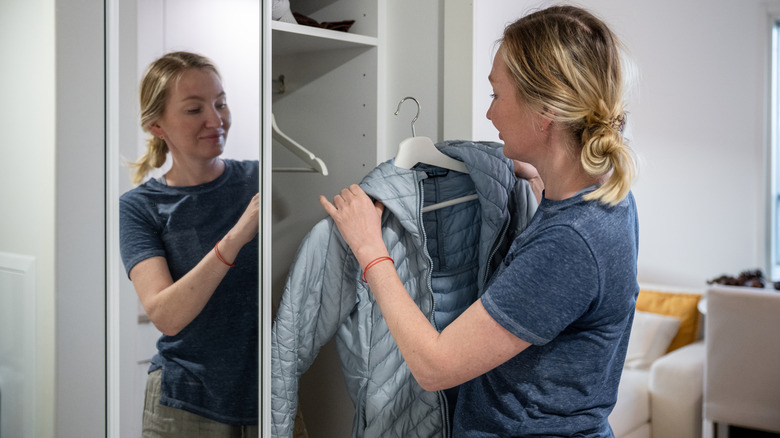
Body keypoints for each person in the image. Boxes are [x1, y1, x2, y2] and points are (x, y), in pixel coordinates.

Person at [320, 5, 638, 437]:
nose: (490, 115)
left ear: (544, 111)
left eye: (497, 95)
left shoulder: (571, 241)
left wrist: (370, 250)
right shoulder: (608, 195)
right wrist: (540, 178)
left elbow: (435, 367)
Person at [119, 51, 259, 437]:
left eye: (220, 103)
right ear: (157, 126)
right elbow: (165, 314)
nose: (216, 120)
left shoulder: (261, 180)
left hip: (269, 396)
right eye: (195, 109)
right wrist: (236, 237)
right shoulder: (140, 207)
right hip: (187, 405)